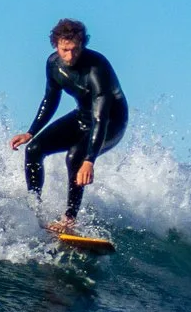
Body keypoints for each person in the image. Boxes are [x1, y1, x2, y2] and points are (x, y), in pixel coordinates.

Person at [10, 18, 127, 229]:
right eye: (65, 50)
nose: (70, 56)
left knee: (75, 156)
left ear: (82, 45)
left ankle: (69, 219)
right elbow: (51, 98)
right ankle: (34, 209)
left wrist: (90, 160)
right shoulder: (53, 64)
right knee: (34, 149)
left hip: (111, 123)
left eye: (74, 49)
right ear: (56, 45)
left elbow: (100, 118)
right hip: (82, 117)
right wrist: (31, 132)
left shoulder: (97, 68)